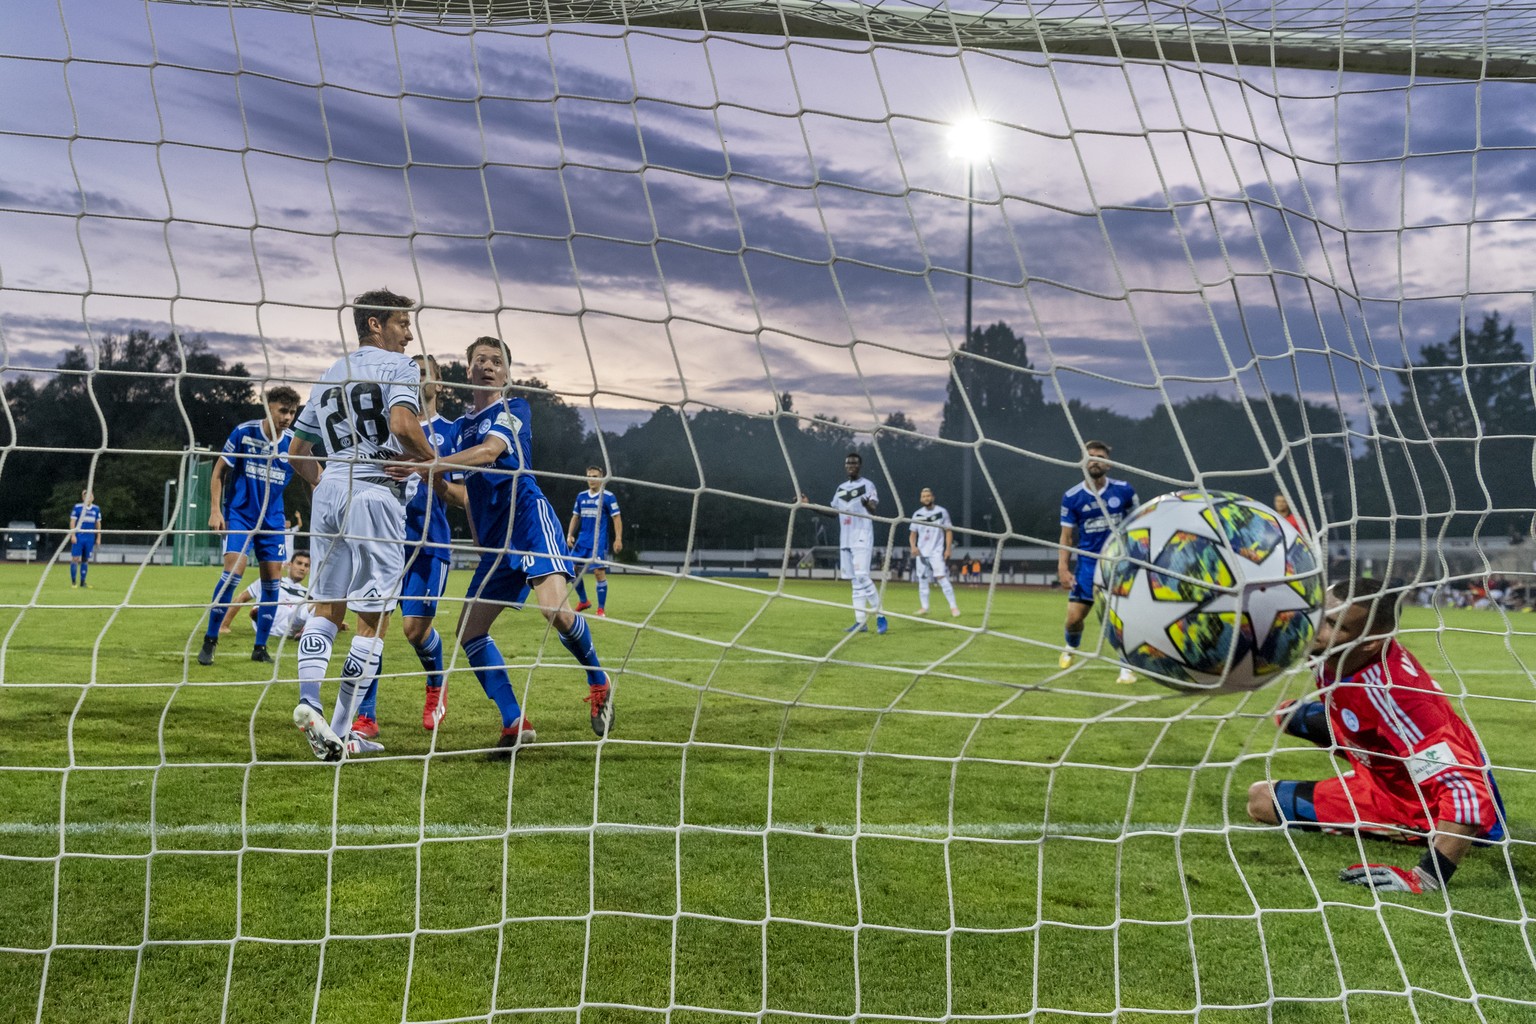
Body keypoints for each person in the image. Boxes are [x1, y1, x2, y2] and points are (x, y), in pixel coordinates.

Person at [1247, 578, 1507, 894]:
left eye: (1331, 624)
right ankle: (1367, 761)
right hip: (1392, 757)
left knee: (1261, 801)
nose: (1314, 627)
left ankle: (1399, 821)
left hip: (1418, 802)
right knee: (1288, 715)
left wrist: (1425, 877)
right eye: (1318, 613)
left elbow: (1467, 791)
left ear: (1370, 641)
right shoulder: (1334, 650)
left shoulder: (1397, 696)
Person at [431, 335, 614, 757]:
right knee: (469, 631)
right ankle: (515, 721)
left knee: (555, 612)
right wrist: (461, 511)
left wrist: (435, 464)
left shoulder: (514, 409)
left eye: (497, 361)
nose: (489, 366)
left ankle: (599, 680)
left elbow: (490, 452)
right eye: (481, 360)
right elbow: (464, 490)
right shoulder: (459, 428)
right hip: (495, 542)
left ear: (507, 373)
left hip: (528, 522)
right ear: (468, 369)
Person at [286, 288, 436, 761]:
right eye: (402, 323)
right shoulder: (399, 367)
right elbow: (403, 427)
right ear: (375, 324)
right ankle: (342, 730)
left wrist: (324, 486)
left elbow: (296, 454)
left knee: (326, 607)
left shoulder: (331, 373)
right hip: (375, 490)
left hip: (330, 489)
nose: (409, 334)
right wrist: (436, 462)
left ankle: (309, 700)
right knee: (374, 618)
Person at [351, 354, 465, 739]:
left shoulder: (453, 432)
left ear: (440, 384)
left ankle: (436, 684)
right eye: (408, 374)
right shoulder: (382, 430)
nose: (414, 381)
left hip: (428, 543)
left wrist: (427, 469)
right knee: (372, 627)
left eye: (422, 374)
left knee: (414, 631)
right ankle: (365, 716)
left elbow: (466, 495)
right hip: (382, 542)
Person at [198, 386, 301, 665]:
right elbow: (219, 471)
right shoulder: (244, 432)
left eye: (292, 412)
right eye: (283, 410)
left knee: (272, 582)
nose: (288, 417)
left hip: (273, 521)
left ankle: (260, 648)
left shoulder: (293, 444)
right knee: (234, 573)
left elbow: (315, 475)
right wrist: (216, 511)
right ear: (267, 408)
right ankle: (210, 639)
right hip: (241, 515)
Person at [1057, 440, 1138, 684]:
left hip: (1120, 565)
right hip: (1088, 566)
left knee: (1120, 618)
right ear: (1082, 462)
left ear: (1109, 463)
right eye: (1090, 456)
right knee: (1073, 619)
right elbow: (1067, 536)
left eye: (1099, 456)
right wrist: (1062, 568)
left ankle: (1126, 668)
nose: (1094, 460)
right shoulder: (1072, 497)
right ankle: (1071, 647)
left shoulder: (1124, 491)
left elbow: (1139, 526)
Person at [800, 452, 887, 634]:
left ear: (860, 466)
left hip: (862, 535)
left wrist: (866, 504)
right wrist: (809, 505)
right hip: (845, 538)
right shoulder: (841, 489)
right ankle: (860, 622)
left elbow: (874, 509)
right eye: (848, 464)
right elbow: (833, 512)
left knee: (862, 575)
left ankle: (880, 616)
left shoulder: (867, 485)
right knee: (854, 581)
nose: (851, 466)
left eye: (854, 464)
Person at [566, 465, 624, 617]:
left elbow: (616, 518)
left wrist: (618, 539)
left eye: (595, 476)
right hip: (582, 541)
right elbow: (575, 516)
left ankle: (601, 609)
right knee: (571, 570)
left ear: (602, 478)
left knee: (599, 572)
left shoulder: (608, 497)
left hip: (598, 542)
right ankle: (584, 601)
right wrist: (570, 534)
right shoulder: (581, 497)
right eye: (589, 476)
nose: (592, 479)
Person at [219, 551, 314, 641]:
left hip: (288, 626)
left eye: (306, 565)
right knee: (271, 592)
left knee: (313, 605)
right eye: (299, 563)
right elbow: (241, 598)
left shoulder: (308, 593)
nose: (302, 568)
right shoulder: (270, 580)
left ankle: (306, 630)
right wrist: (224, 625)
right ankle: (261, 614)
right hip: (268, 620)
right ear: (289, 565)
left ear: (309, 570)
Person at [909, 487, 959, 617]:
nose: (926, 498)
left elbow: (948, 531)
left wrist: (948, 549)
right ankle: (924, 607)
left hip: (936, 551)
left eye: (928, 496)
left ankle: (953, 607)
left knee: (941, 577)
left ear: (933, 497)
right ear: (921, 499)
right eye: (924, 496)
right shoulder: (917, 514)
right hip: (921, 552)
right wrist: (913, 547)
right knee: (923, 579)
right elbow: (912, 534)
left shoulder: (942, 512)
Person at [67, 490, 102, 588]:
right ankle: (73, 582)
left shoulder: (96, 509)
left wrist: (98, 537)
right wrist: (73, 535)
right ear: (83, 498)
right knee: (75, 558)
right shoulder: (78, 508)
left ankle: (83, 582)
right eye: (86, 496)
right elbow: (72, 522)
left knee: (85, 559)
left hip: (90, 537)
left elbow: (98, 524)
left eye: (90, 496)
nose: (88, 498)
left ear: (93, 497)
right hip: (79, 536)